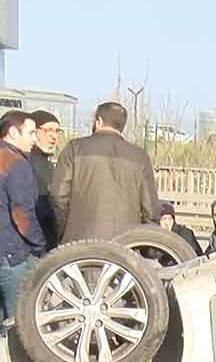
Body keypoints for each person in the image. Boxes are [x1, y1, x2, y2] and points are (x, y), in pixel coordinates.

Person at [49, 101, 159, 244]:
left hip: (79, 246)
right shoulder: (139, 156)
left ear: (98, 121)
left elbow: (59, 197)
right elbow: (151, 209)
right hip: (126, 248)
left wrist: (62, 233)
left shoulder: (75, 149)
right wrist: (146, 248)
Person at [0, 111, 45, 322]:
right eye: (31, 132)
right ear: (12, 132)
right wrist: (39, 245)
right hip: (11, 255)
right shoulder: (15, 163)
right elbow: (21, 214)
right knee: (17, 323)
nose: (35, 139)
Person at [29, 110, 61, 251]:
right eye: (48, 130)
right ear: (33, 131)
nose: (54, 136)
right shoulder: (24, 162)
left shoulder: (48, 163)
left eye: (57, 131)